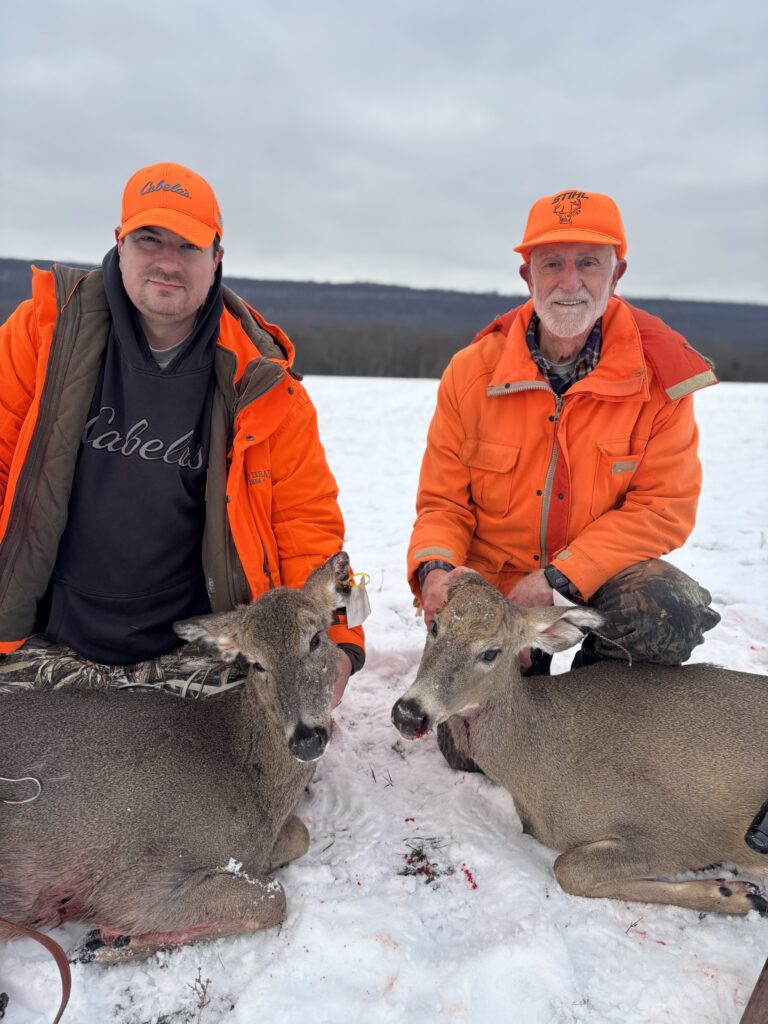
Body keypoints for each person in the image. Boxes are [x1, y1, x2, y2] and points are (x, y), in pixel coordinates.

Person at [0, 161, 362, 702]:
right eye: (149, 239)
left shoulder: (261, 377)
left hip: (200, 646)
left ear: (216, 257)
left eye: (189, 246)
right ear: (119, 242)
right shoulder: (41, 334)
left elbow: (306, 521)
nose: (168, 262)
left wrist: (341, 639)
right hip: (44, 635)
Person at [407, 188, 720, 765]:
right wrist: (435, 570)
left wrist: (557, 582)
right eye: (551, 263)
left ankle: (590, 702)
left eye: (588, 263)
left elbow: (663, 508)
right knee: (474, 755)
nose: (569, 282)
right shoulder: (470, 373)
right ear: (527, 274)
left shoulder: (660, 381)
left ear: (616, 274)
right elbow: (443, 504)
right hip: (497, 601)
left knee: (668, 607)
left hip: (593, 583)